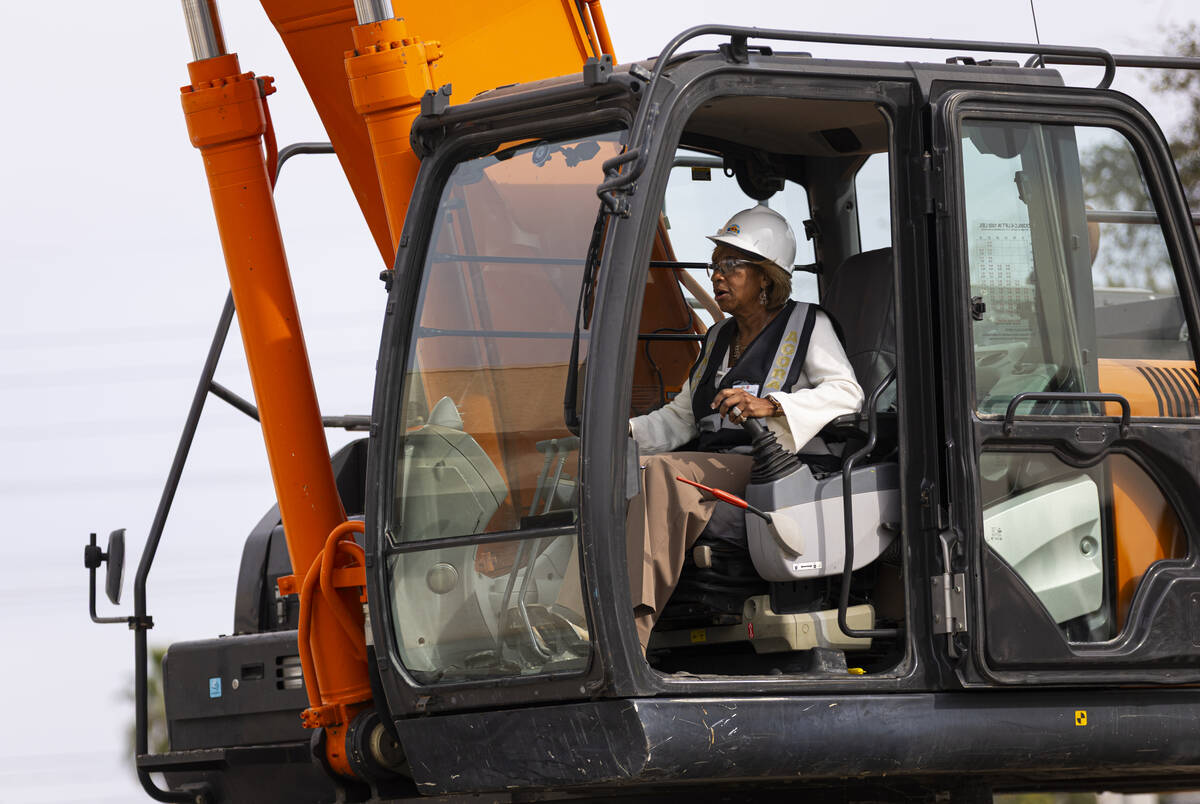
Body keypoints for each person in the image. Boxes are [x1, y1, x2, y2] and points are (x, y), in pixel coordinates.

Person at [626, 204, 864, 649]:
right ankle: (575, 619)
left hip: (775, 472)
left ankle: (630, 631)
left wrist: (770, 405)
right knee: (621, 474)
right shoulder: (718, 337)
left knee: (661, 474)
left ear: (766, 277)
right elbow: (681, 418)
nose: (717, 275)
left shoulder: (809, 325)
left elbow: (847, 394)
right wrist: (624, 433)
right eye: (716, 265)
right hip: (718, 467)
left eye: (731, 265)